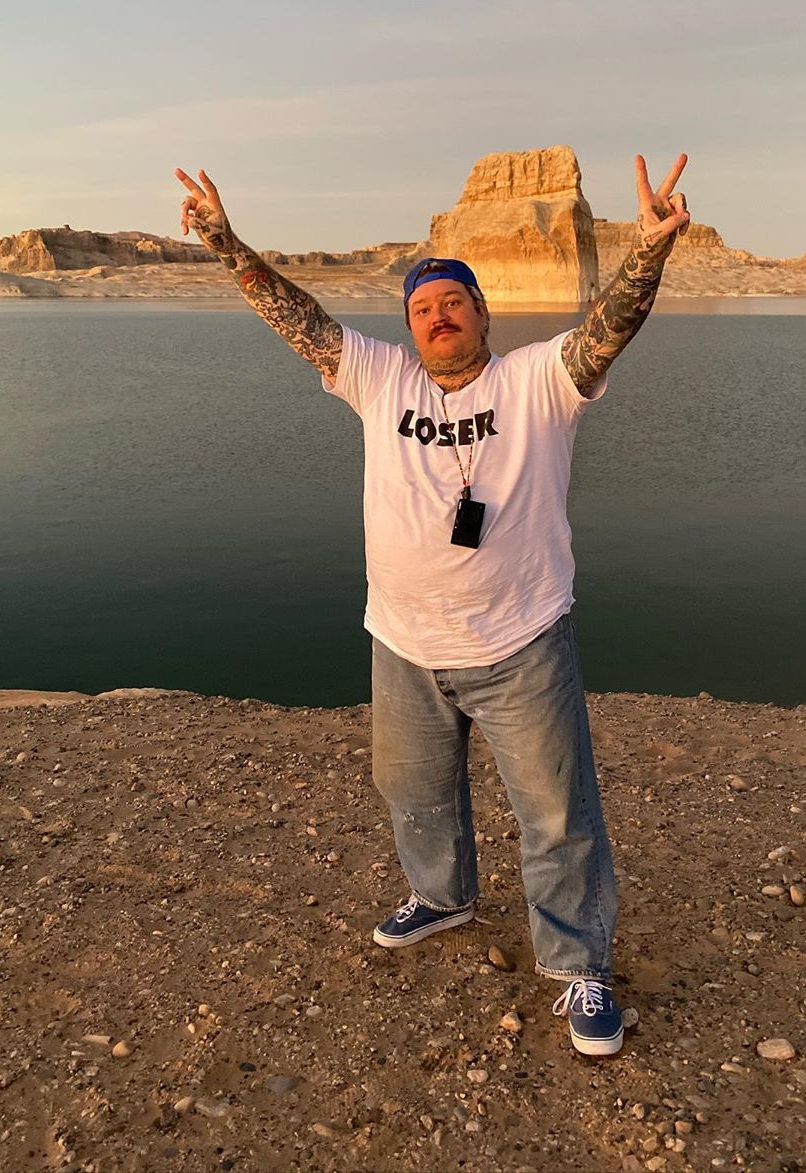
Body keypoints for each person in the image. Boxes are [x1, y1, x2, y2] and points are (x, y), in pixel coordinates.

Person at [175, 153, 690, 1056]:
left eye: (454, 301)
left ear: (483, 315)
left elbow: (605, 330)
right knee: (413, 793)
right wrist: (225, 243)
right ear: (409, 326)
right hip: (404, 642)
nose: (438, 315)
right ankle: (444, 897)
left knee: (557, 814)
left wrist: (648, 249)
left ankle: (578, 965)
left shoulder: (537, 381)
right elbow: (301, 321)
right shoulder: (381, 380)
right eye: (422, 307)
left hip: (521, 640)